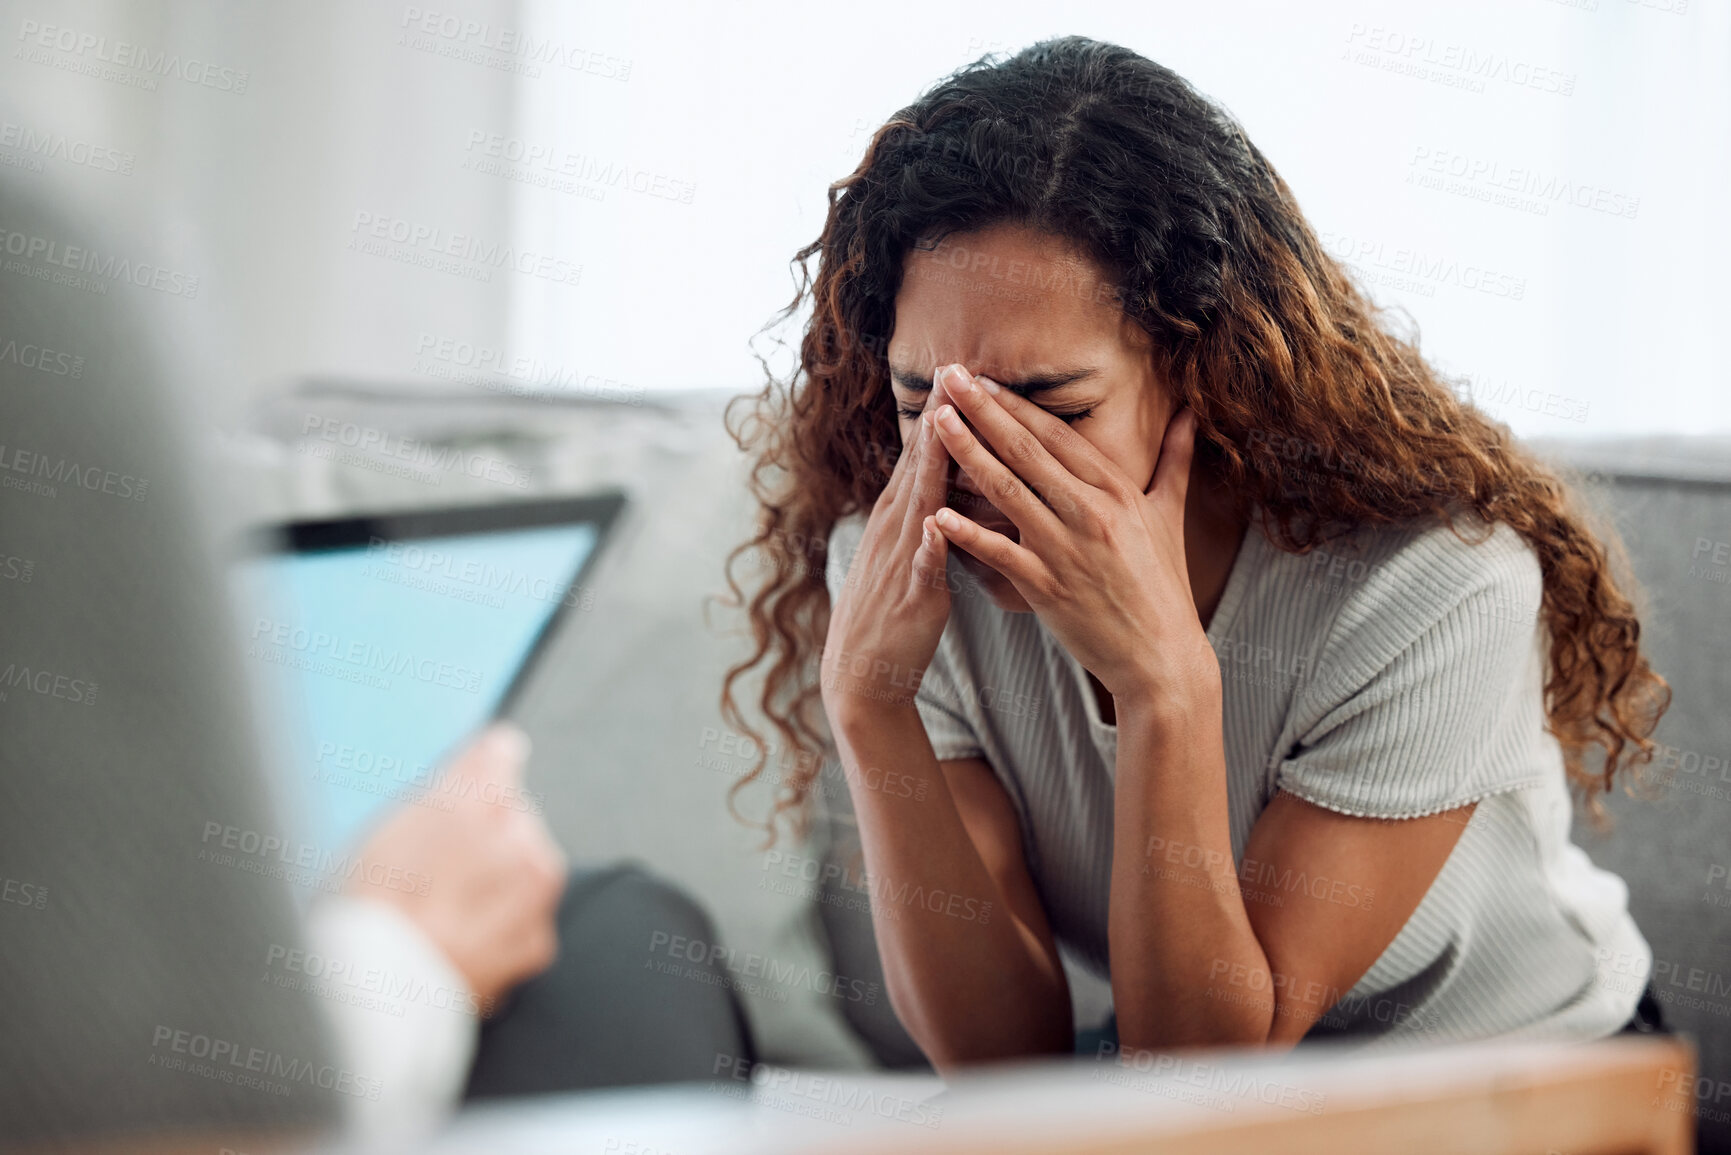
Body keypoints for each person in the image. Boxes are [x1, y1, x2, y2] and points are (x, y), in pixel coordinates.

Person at [720, 36, 1671, 1070]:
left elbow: (1208, 1071)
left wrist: (1163, 684)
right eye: (924, 404)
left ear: (1201, 373)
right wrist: (869, 707)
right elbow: (996, 1064)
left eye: (1055, 408)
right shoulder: (901, 568)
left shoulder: (1432, 585)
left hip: (1526, 1077)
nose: (976, 472)